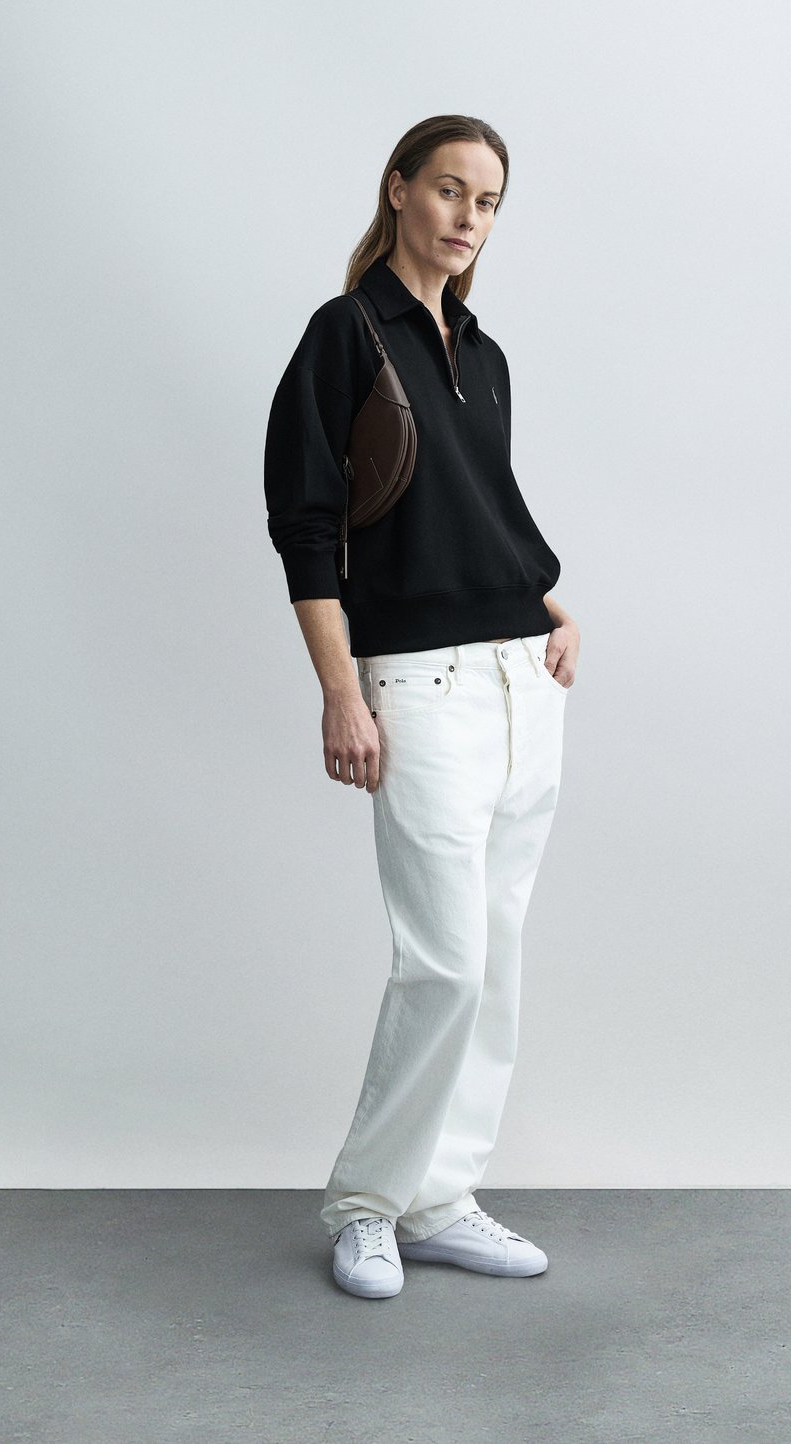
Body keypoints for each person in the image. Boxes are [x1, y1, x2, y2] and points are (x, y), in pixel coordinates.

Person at [263, 114, 580, 1299]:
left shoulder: (482, 353)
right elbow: (305, 525)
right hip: (420, 687)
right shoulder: (345, 334)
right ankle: (366, 1203)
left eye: (486, 202)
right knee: (441, 960)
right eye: (449, 190)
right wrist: (340, 691)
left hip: (523, 675)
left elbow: (479, 505)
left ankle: (442, 1196)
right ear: (398, 190)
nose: (467, 218)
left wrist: (549, 603)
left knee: (493, 961)